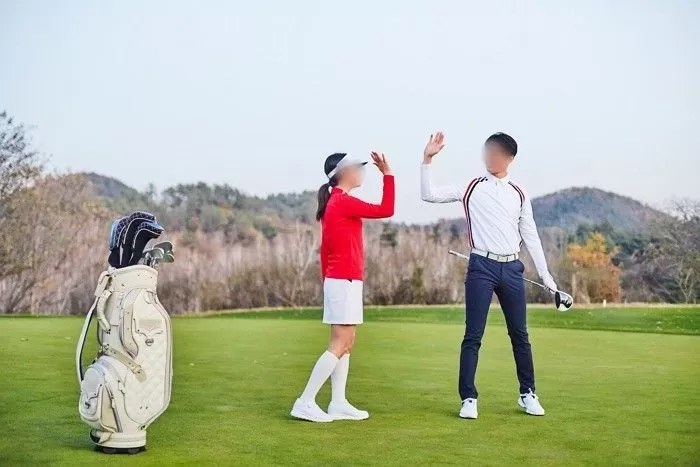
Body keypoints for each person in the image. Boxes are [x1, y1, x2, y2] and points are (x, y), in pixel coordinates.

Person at [420, 131, 557, 419]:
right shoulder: (472, 187)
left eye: (496, 153)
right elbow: (429, 195)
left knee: (520, 335)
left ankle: (527, 393)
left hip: (512, 268)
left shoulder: (519, 192)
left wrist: (545, 275)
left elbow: (530, 235)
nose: (490, 157)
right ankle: (468, 398)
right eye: (487, 151)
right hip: (481, 266)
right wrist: (427, 160)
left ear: (509, 159)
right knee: (473, 335)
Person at [290, 151, 395, 422]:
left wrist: (330, 281)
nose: (361, 172)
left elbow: (325, 251)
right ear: (343, 173)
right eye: (357, 168)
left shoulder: (336, 203)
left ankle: (338, 403)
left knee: (347, 343)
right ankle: (305, 401)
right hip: (343, 281)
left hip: (343, 281)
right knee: (341, 342)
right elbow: (386, 209)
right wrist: (388, 175)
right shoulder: (342, 202)